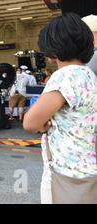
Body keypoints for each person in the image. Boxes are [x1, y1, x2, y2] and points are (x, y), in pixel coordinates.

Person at [24, 13, 97, 204]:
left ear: (53, 48)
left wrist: (44, 125)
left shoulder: (64, 76)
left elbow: (30, 123)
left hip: (65, 170)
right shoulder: (88, 75)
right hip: (88, 166)